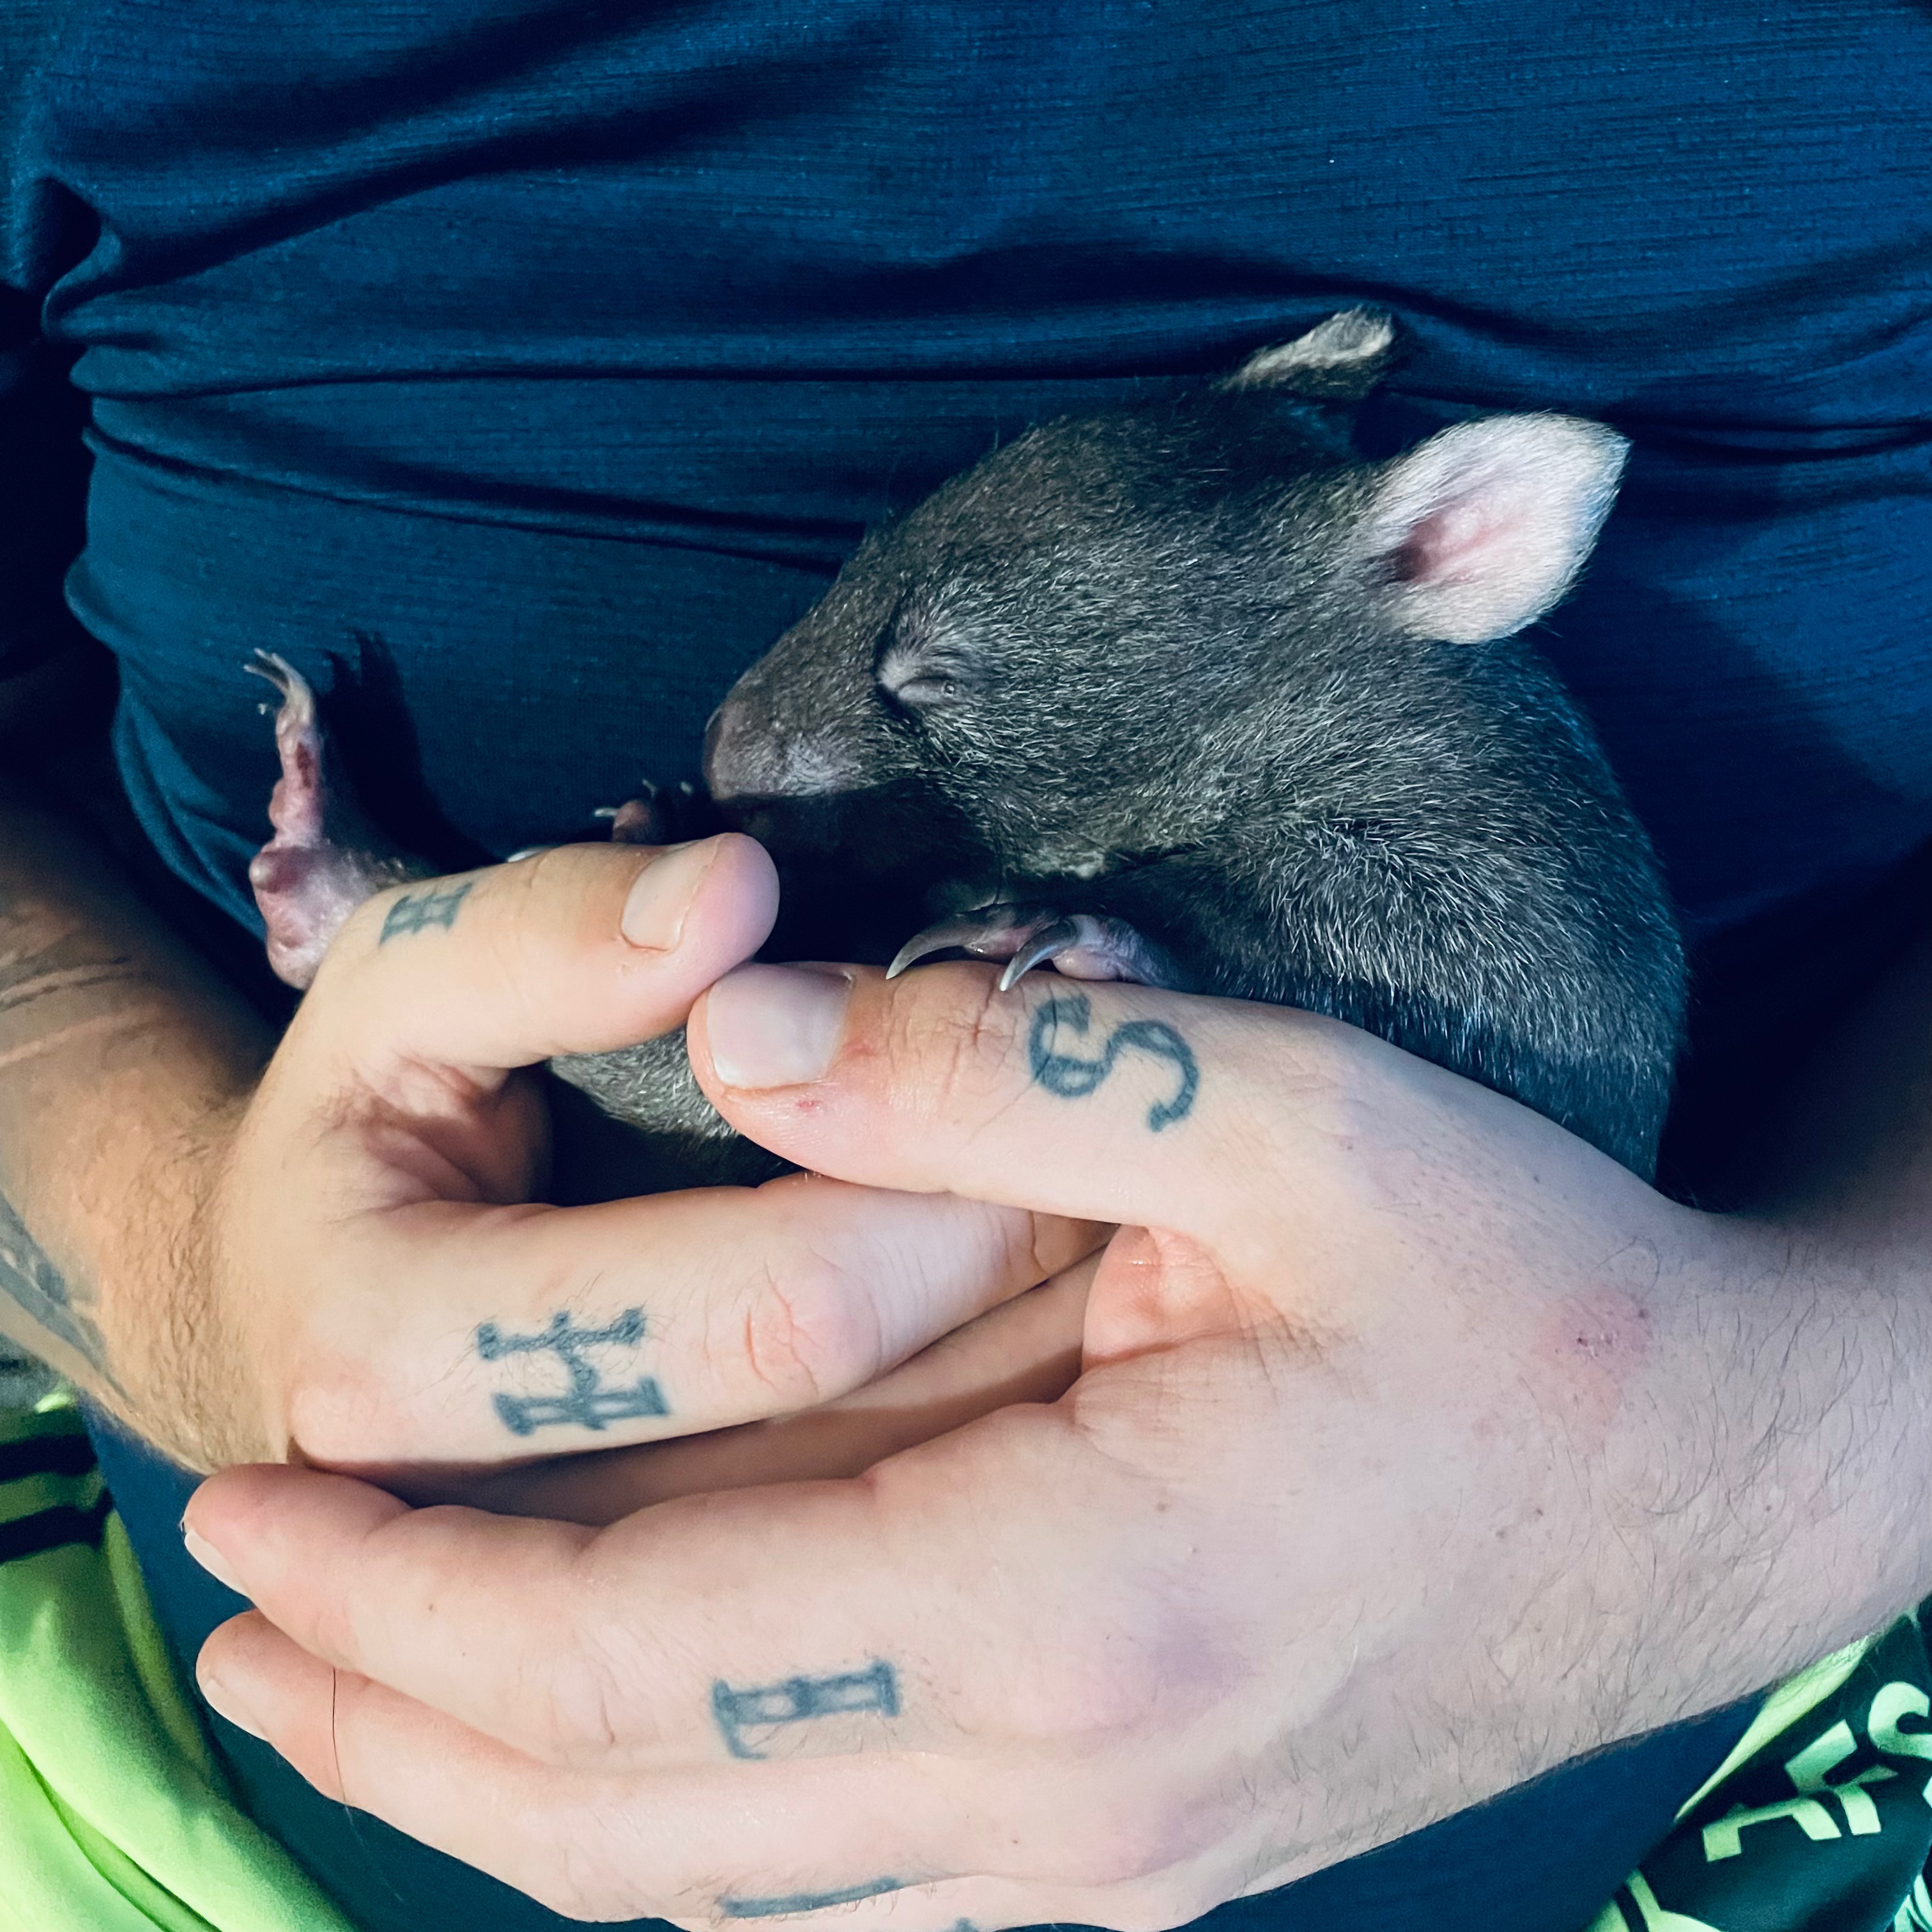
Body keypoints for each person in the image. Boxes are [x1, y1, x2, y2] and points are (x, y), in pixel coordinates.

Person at [4, 3, 1931, 1929]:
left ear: (1445, 553)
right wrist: (178, 1269)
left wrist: (1776, 1471)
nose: (765, 728)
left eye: (925, 682)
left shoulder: (1440, 812)